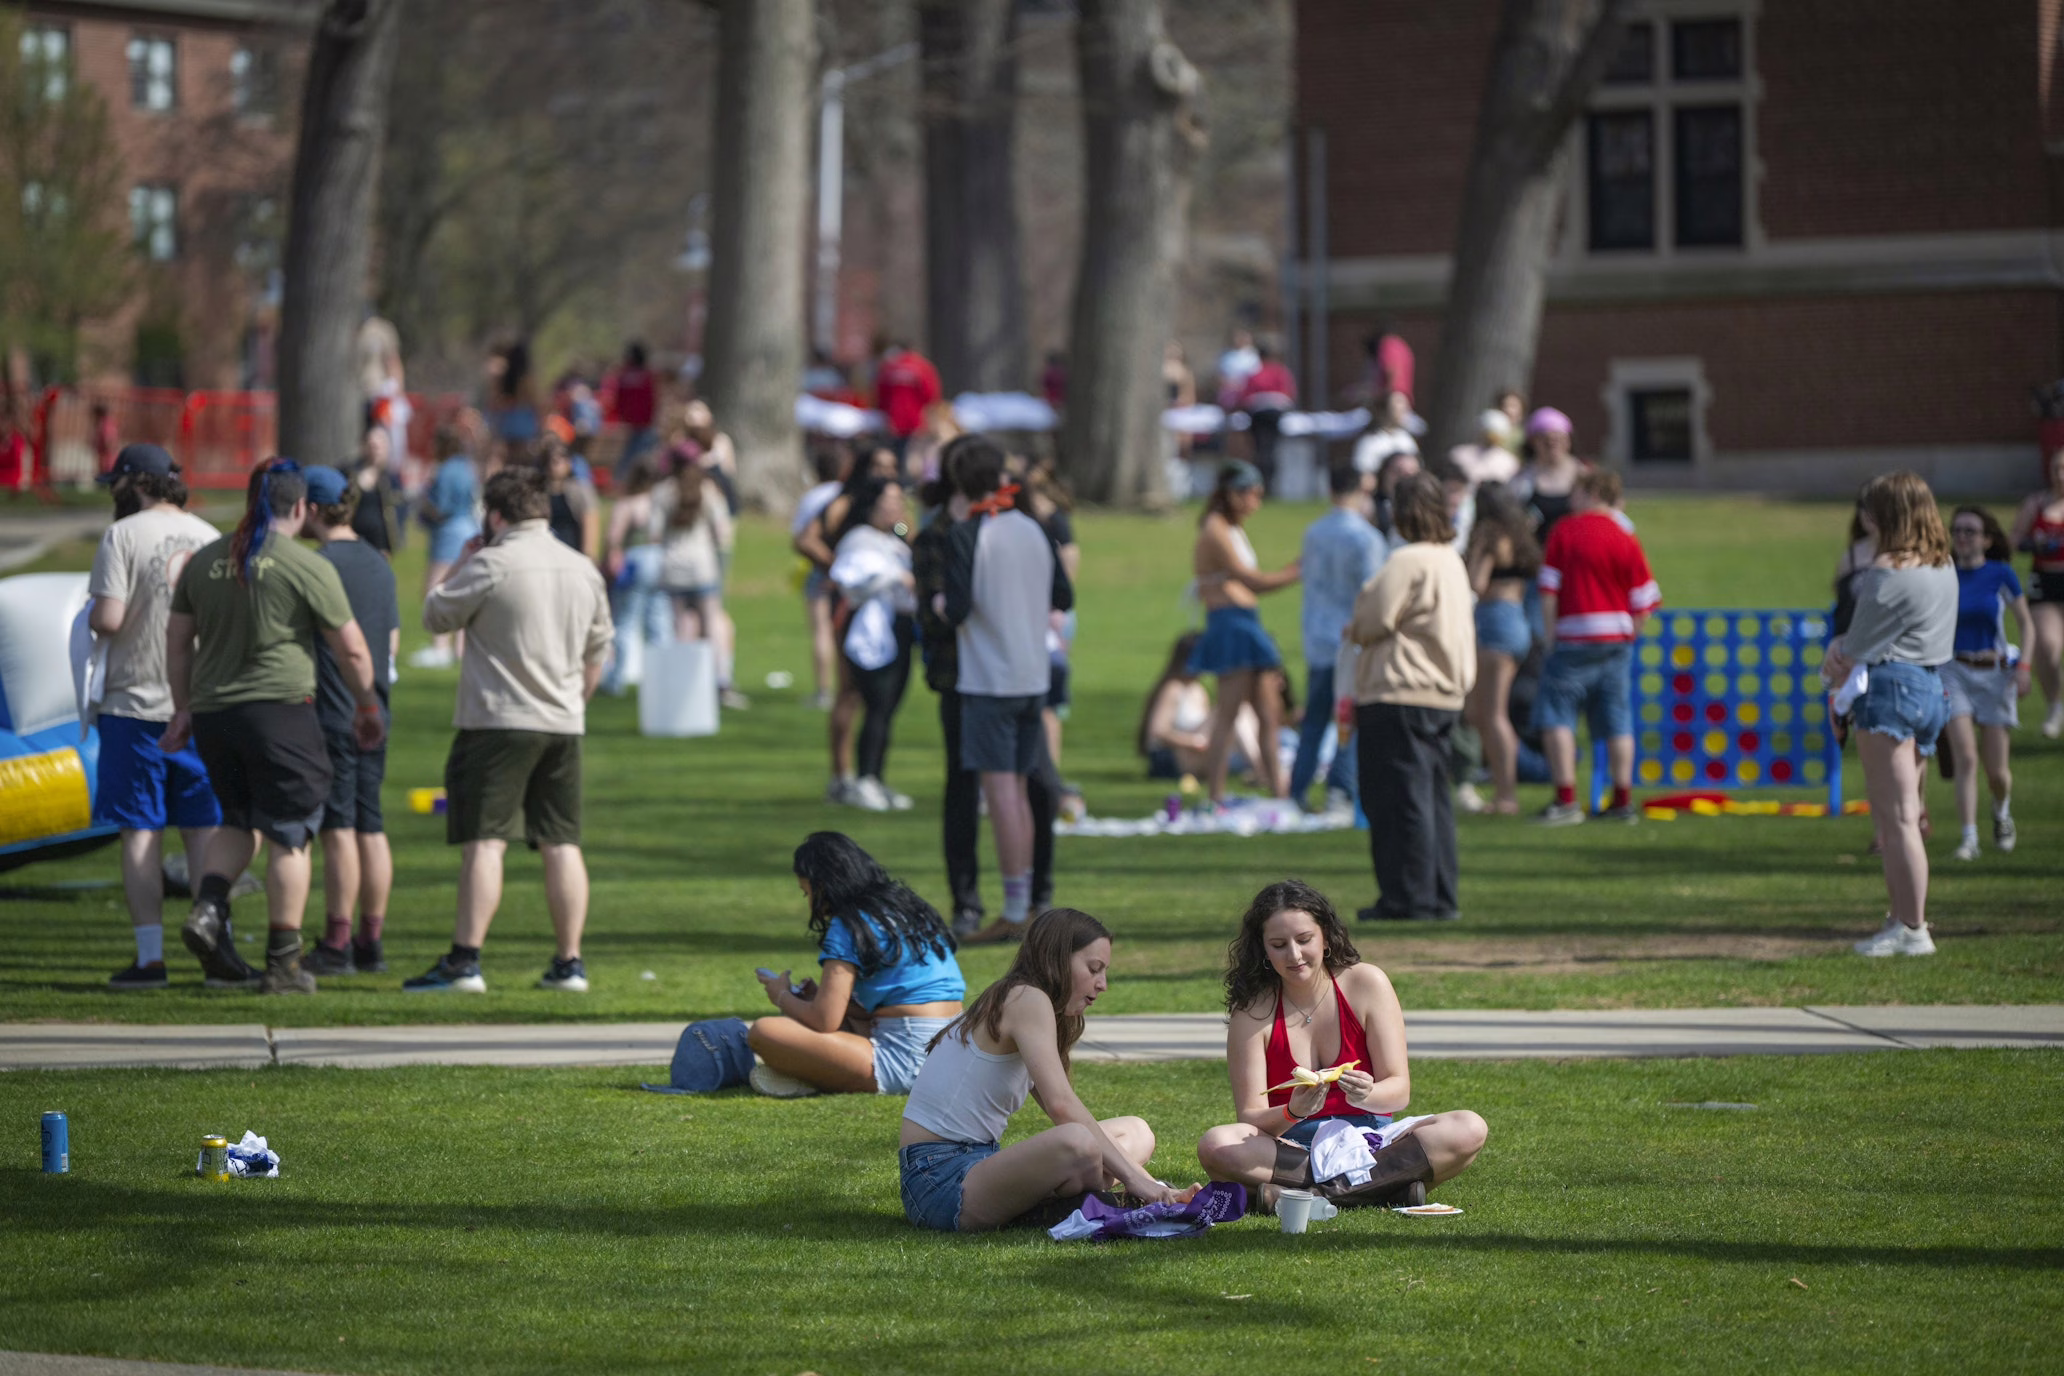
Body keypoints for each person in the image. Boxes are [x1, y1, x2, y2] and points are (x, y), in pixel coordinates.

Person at [163, 460, 386, 996]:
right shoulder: (304, 565)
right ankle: (284, 964)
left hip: (216, 716)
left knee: (238, 822)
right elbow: (352, 648)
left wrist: (183, 708)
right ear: (302, 508)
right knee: (290, 832)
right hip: (281, 713)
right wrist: (367, 706)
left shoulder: (206, 560)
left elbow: (176, 642)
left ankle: (209, 909)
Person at [407, 467, 614, 993]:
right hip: (563, 721)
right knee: (561, 842)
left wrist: (460, 561)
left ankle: (465, 960)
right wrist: (574, 702)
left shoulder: (493, 563)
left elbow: (435, 615)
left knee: (485, 841)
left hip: (498, 721)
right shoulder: (581, 567)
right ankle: (569, 963)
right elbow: (599, 653)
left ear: (496, 515)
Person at [1194, 880, 1487, 1211]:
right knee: (1217, 1144)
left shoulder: (1366, 982)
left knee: (1468, 1127)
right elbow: (1249, 1116)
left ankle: (1313, 1196)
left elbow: (1399, 1089)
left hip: (1373, 1143)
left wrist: (1366, 1094)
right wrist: (1294, 1110)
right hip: (1291, 1147)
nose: (1294, 955)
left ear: (1326, 937)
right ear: (1262, 949)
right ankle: (1383, 1189)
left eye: (1304, 940)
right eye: (1278, 945)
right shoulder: (1252, 1010)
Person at [898, 907, 1196, 1232]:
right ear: (1057, 959)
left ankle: (1066, 1208)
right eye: (1094, 969)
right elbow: (1062, 1107)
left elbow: (1069, 1112)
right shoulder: (1026, 999)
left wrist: (1152, 1185)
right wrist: (1141, 1182)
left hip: (979, 1163)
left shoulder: (1032, 1004)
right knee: (1076, 1142)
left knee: (1136, 1132)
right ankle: (1079, 1206)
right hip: (938, 1179)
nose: (1103, 984)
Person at [86, 444, 223, 990]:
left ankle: (150, 959)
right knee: (203, 829)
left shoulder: (122, 536)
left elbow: (110, 617)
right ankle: (215, 947)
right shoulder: (210, 535)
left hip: (135, 705)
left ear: (131, 483)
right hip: (198, 703)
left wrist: (88, 614)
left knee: (141, 832)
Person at [914, 448, 1058, 937]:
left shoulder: (966, 534)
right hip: (1032, 674)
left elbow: (954, 610)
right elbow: (1064, 596)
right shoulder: (1033, 527)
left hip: (987, 678)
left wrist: (936, 601)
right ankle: (1031, 899)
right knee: (1021, 790)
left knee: (1003, 798)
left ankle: (1016, 910)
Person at [1822, 472, 1956, 957]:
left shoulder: (1886, 568)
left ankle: (1913, 928)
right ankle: (1900, 919)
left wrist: (1834, 659)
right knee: (1903, 815)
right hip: (1931, 687)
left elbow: (1854, 646)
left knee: (1897, 820)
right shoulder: (1943, 565)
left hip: (1889, 689)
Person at [1347, 473, 1477, 922]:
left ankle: (1407, 898)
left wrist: (1358, 620)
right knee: (1433, 800)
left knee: (1399, 800)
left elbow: (1372, 618)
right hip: (1443, 693)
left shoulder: (1407, 560)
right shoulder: (1451, 560)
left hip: (1400, 689)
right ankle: (1440, 895)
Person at [748, 832, 967, 1098]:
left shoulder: (849, 924)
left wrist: (781, 995)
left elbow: (824, 1020)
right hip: (957, 1051)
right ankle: (816, 1073)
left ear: (823, 887)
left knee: (764, 1031)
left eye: (808, 894)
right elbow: (890, 1003)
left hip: (908, 1057)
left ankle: (815, 1078)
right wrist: (819, 998)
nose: (810, 904)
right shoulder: (907, 909)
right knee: (824, 1023)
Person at [299, 467, 399, 976]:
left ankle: (336, 943)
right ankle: (371, 941)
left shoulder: (317, 566)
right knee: (371, 824)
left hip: (336, 712)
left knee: (339, 827)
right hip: (377, 709)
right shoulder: (380, 564)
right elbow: (392, 644)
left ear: (312, 510)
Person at [1533, 467, 1660, 826]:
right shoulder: (1624, 535)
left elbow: (1548, 590)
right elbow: (1645, 599)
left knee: (1558, 716)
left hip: (1572, 637)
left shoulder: (1565, 531)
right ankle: (1622, 800)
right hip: (1616, 638)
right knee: (1617, 719)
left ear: (1588, 493)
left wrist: (1549, 634)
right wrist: (1630, 631)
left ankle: (1566, 799)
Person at [1190, 461, 1300, 804]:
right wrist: (1295, 572)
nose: (1257, 503)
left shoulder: (1233, 528)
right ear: (1232, 493)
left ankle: (1278, 791)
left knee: (1269, 712)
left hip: (1248, 622)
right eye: (1253, 494)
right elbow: (1250, 580)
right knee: (1229, 712)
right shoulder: (1215, 530)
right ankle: (1216, 795)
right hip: (1230, 625)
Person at [1290, 462, 1386, 811]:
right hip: (1351, 639)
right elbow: (1372, 592)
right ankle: (1340, 790)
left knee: (1314, 719)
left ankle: (1297, 789)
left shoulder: (1313, 533)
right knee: (1349, 718)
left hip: (1317, 636)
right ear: (1361, 491)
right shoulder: (1366, 538)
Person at [1941, 507, 2032, 862]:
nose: (1962, 537)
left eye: (1970, 531)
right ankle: (1969, 838)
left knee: (1997, 772)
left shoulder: (2000, 574)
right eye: (1957, 530)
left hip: (1994, 672)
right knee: (1966, 757)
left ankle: (2001, 810)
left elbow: (2026, 623)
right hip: (1954, 669)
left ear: (1986, 539)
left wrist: (2023, 666)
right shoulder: (1944, 574)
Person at [830, 476, 918, 812]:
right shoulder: (858, 540)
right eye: (890, 503)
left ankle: (876, 778)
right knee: (876, 703)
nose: (897, 509)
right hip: (871, 629)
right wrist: (895, 578)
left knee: (890, 705)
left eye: (900, 502)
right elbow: (851, 583)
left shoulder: (895, 537)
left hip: (900, 626)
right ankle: (864, 778)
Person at [1463, 482, 1541, 814]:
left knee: (1492, 715)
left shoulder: (1488, 534)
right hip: (1517, 618)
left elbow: (1477, 583)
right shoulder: (1521, 533)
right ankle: (1500, 788)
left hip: (1494, 620)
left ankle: (1505, 795)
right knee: (1483, 713)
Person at [653, 457, 742, 706]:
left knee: (683, 623)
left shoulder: (663, 492)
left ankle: (685, 685)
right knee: (712, 620)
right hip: (702, 565)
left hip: (673, 565)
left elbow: (654, 532)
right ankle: (721, 679)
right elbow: (722, 532)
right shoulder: (708, 490)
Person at [1023, 454, 1080, 774]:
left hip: (1051, 618)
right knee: (1043, 702)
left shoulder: (1053, 521)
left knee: (1048, 702)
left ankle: (1048, 772)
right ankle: (1043, 772)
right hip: (1039, 613)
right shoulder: (1035, 521)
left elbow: (1068, 574)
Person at [410, 425, 479, 669]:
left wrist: (422, 503)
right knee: (461, 589)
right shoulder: (467, 467)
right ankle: (459, 648)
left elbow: (440, 508)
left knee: (436, 588)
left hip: (449, 531)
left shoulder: (444, 471)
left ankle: (440, 647)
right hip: (469, 527)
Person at [2010, 447, 2064, 737]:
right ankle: (2055, 705)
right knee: (2047, 646)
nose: (2060, 475)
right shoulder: (2037, 503)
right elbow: (2014, 538)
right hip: (2046, 583)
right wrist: (2032, 544)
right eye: (2056, 469)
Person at [600, 460, 666, 695]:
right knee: (658, 620)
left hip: (636, 561)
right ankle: (661, 678)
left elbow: (613, 537)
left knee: (625, 621)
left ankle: (617, 678)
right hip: (660, 561)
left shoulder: (628, 504)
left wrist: (609, 559)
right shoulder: (660, 503)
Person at [793, 447, 851, 710]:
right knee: (846, 633)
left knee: (821, 631)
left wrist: (826, 561)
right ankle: (848, 689)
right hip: (851, 570)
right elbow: (901, 527)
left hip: (821, 569)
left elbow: (799, 538)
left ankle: (823, 691)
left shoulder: (812, 498)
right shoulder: (850, 495)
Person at [1509, 407, 1587, 541]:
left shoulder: (1582, 475)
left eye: (1559, 440)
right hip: (1534, 552)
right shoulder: (1522, 477)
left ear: (1568, 441)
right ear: (1533, 442)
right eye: (1547, 442)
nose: (1553, 446)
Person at [1234, 340, 1297, 493]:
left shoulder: (1254, 375)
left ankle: (1262, 485)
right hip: (1274, 414)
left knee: (1261, 450)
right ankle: (1270, 486)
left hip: (1259, 414)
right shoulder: (1280, 372)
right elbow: (1289, 395)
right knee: (1271, 450)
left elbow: (1244, 397)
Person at [874, 339, 943, 460]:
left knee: (896, 454)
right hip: (917, 419)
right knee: (916, 456)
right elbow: (931, 395)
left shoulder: (889, 367)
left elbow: (881, 395)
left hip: (893, 419)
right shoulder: (923, 367)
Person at [537, 431, 600, 561]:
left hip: (573, 552)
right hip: (546, 553)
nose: (554, 464)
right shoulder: (540, 492)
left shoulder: (580, 490)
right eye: (550, 460)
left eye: (559, 460)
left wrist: (589, 556)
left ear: (569, 463)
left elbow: (590, 521)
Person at [605, 342, 660, 481]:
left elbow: (619, 399)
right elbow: (652, 400)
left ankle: (620, 480)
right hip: (644, 423)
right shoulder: (648, 376)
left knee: (627, 456)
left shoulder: (624, 375)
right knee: (642, 454)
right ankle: (637, 481)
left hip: (628, 423)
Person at [349, 428, 400, 555]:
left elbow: (399, 510)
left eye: (379, 446)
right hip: (353, 536)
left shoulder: (391, 479)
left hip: (380, 542)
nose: (375, 450)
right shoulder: (350, 473)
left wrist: (391, 543)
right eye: (372, 445)